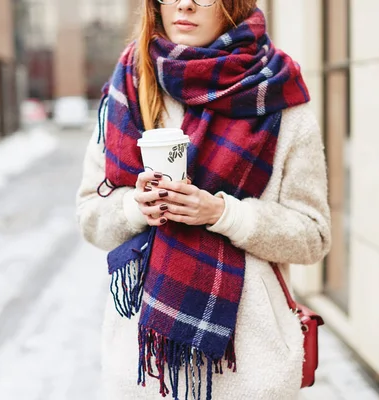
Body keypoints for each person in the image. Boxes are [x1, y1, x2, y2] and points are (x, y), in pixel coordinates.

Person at [76, 0, 331, 398]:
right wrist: (134, 207)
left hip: (250, 371)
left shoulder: (277, 95)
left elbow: (313, 236)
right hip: (144, 369)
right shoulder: (129, 90)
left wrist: (224, 213)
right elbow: (90, 216)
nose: (185, 4)